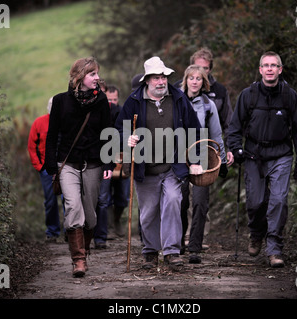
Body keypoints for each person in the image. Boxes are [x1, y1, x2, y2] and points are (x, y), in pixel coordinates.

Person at [115, 56, 203, 269]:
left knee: (173, 201)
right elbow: (119, 129)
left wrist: (196, 160)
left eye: (163, 76)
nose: (161, 81)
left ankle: (172, 252)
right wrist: (127, 139)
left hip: (173, 166)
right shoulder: (134, 101)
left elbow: (195, 130)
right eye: (156, 78)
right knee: (149, 211)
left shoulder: (179, 99)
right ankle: (150, 251)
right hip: (145, 168)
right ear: (147, 80)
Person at [226, 51, 297, 268]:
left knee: (279, 200)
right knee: (255, 202)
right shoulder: (248, 95)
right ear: (260, 70)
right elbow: (234, 127)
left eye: (274, 65)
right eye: (266, 65)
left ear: (280, 70)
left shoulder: (289, 95)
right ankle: (255, 233)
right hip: (254, 155)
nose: (270, 69)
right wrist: (237, 149)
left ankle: (274, 248)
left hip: (281, 155)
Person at [45, 57, 113, 277]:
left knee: (90, 216)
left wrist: (109, 162)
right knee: (73, 207)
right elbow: (52, 134)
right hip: (67, 163)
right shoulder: (60, 101)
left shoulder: (101, 100)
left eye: (97, 74)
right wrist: (51, 164)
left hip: (93, 163)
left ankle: (83, 248)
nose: (97, 78)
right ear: (79, 77)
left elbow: (107, 134)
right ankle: (79, 260)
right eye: (93, 74)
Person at [179, 65, 229, 263]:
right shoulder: (176, 101)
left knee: (200, 203)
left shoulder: (209, 105)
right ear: (186, 80)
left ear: (203, 82)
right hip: (180, 159)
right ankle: (178, 241)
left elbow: (216, 134)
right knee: (181, 202)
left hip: (202, 159)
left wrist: (222, 161)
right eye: (191, 78)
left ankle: (195, 248)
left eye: (198, 78)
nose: (194, 81)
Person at [94, 84, 130, 248]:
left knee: (122, 195)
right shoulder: (98, 111)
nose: (112, 102)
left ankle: (116, 221)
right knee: (104, 196)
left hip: (121, 158)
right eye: (110, 99)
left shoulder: (121, 111)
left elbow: (125, 132)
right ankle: (104, 230)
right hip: (103, 159)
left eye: (115, 99)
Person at [27, 97, 61, 242]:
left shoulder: (66, 123)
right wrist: (39, 167)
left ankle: (71, 232)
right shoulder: (39, 123)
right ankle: (52, 232)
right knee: (50, 201)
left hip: (66, 167)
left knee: (70, 201)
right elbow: (31, 147)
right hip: (47, 169)